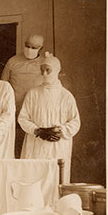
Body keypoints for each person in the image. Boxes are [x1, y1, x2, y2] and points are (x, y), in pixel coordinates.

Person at [18, 53, 81, 182]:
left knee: (54, 179)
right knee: (33, 179)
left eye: (48, 70)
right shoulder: (33, 93)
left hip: (57, 144)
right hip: (36, 144)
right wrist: (38, 131)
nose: (44, 74)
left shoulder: (66, 96)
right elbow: (23, 118)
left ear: (57, 70)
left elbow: (75, 122)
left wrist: (59, 131)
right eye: (42, 70)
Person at [1, 34, 45, 158]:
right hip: (15, 109)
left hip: (35, 111)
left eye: (33, 47)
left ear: (40, 48)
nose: (29, 49)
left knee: (32, 147)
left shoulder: (43, 64)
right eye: (27, 46)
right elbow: (3, 85)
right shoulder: (13, 61)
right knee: (14, 145)